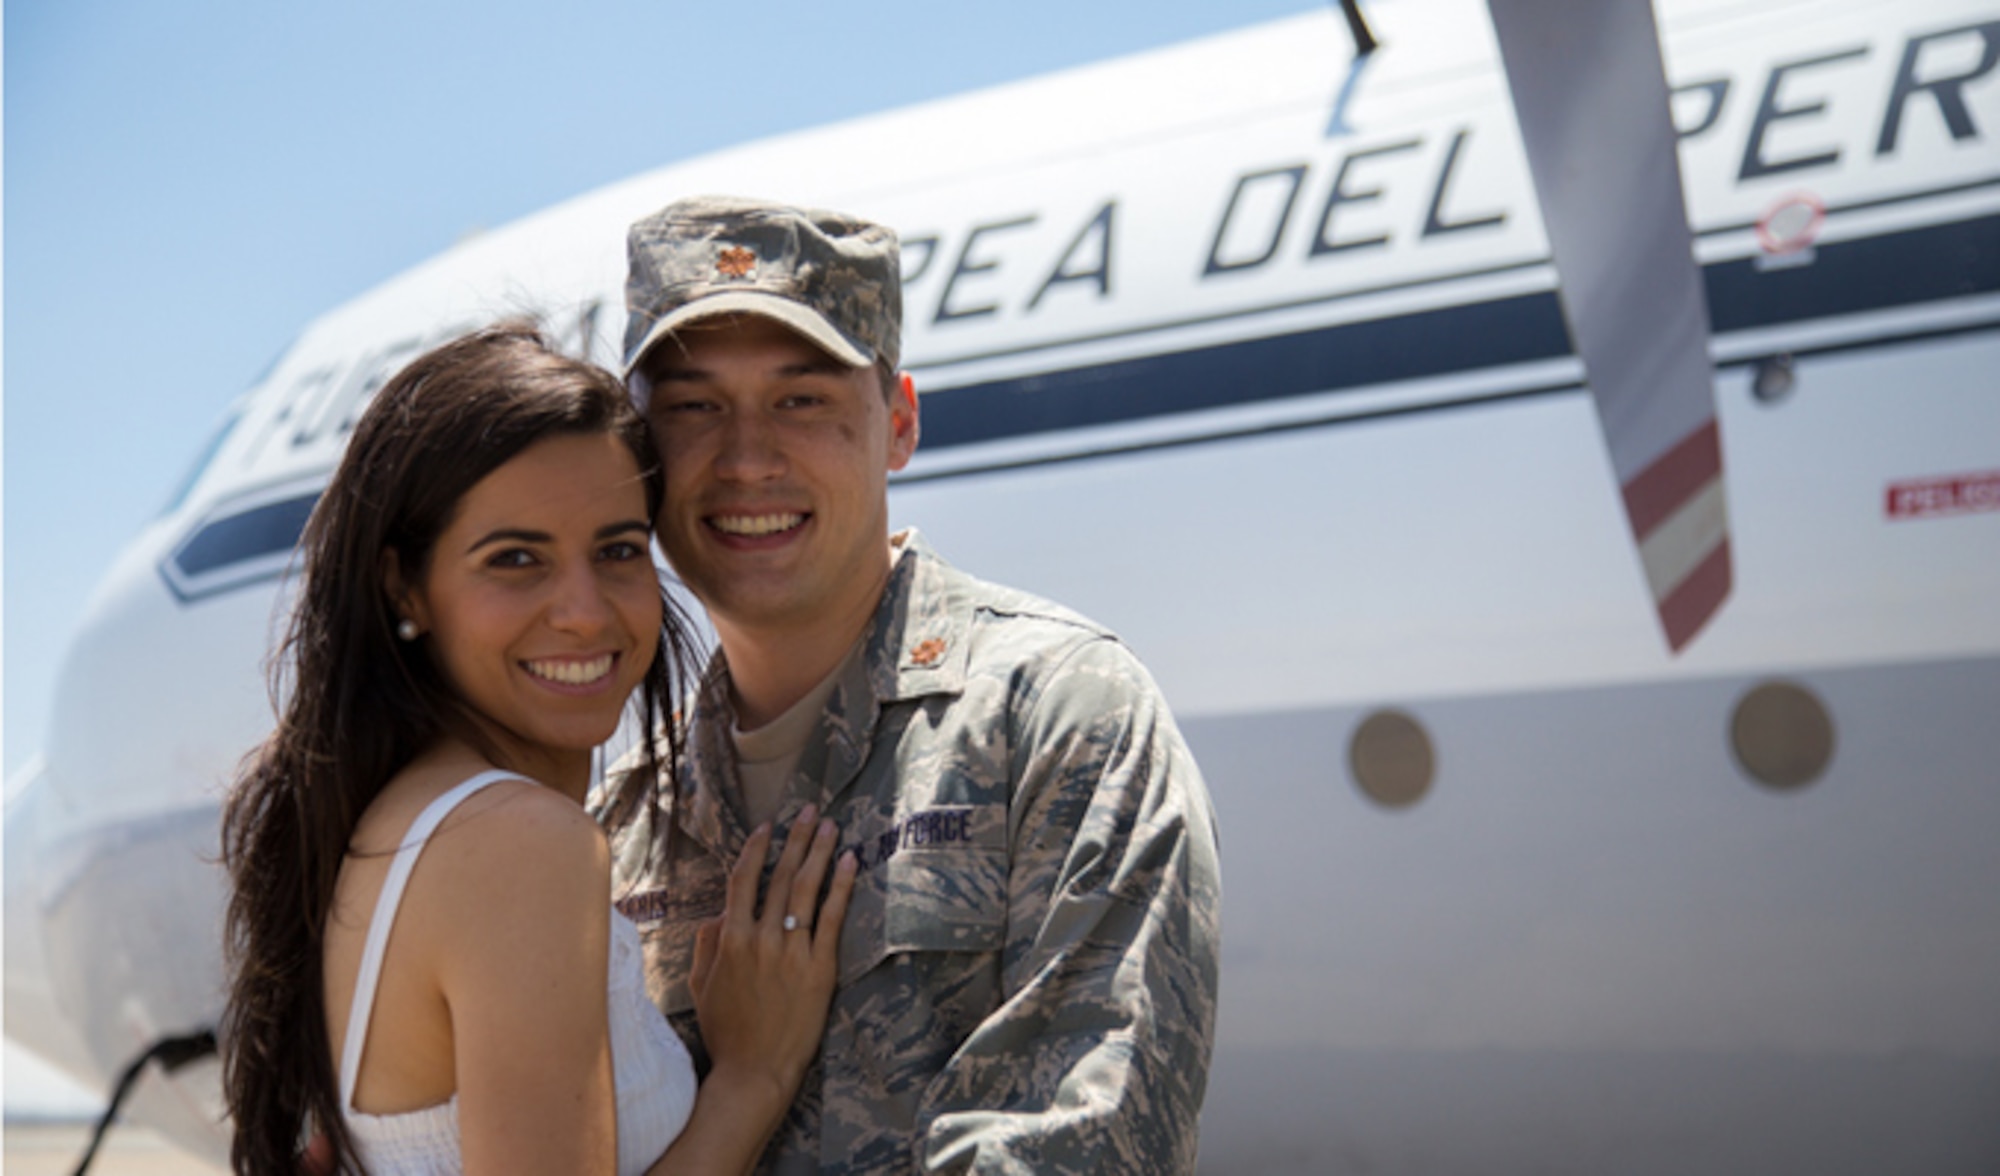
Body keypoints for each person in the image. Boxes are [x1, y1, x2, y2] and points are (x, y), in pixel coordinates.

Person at [602, 196, 1223, 1174]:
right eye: (690, 408)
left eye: (801, 398)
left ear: (896, 424)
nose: (745, 458)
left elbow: (1084, 1146)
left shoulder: (1055, 715)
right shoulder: (618, 825)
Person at [219, 323, 856, 1176]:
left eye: (618, 551)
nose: (586, 612)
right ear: (404, 586)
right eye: (515, 559)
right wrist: (754, 1076)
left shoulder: (394, 826)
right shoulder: (519, 844)